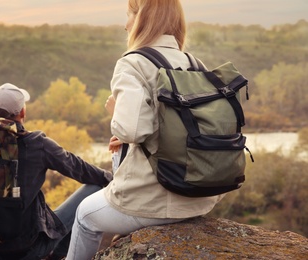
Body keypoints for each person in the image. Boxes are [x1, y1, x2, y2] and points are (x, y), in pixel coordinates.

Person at [66, 1, 225, 259]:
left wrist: (116, 111)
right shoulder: (195, 64)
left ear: (143, 18)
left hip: (157, 200)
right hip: (200, 197)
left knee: (84, 214)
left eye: (129, 14)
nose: (125, 24)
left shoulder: (133, 63)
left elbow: (133, 128)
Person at [0, 83, 112, 260]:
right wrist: (111, 178)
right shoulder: (36, 144)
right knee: (95, 186)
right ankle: (57, 256)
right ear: (23, 112)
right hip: (26, 251)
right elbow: (79, 168)